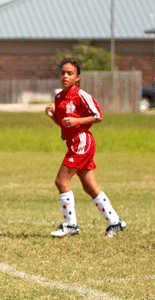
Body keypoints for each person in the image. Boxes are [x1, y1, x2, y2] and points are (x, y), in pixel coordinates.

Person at [45, 59, 126, 238]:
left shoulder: (81, 95)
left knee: (61, 181)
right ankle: (115, 221)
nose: (65, 76)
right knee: (89, 187)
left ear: (78, 77)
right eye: (62, 73)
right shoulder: (59, 97)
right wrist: (52, 117)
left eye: (70, 73)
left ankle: (70, 224)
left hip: (82, 142)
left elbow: (98, 116)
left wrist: (77, 121)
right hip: (74, 142)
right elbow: (64, 124)